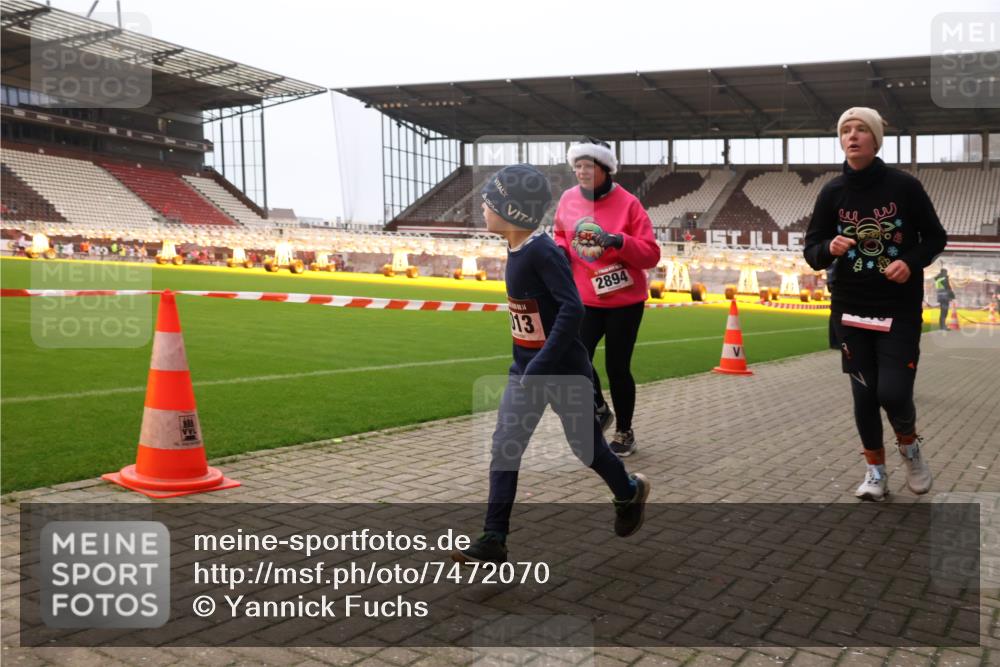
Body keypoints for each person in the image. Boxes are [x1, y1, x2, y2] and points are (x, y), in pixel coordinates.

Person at [453, 164, 650, 564]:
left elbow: (571, 310)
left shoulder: (544, 252)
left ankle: (629, 492)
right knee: (505, 447)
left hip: (561, 372)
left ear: (513, 211)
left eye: (490, 202)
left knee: (587, 449)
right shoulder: (515, 248)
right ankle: (494, 539)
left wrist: (540, 365)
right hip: (525, 372)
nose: (483, 208)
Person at [804, 107, 947, 502]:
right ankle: (875, 472)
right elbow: (812, 251)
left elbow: (935, 238)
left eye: (861, 130)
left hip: (897, 309)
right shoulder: (831, 192)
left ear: (875, 139)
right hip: (849, 308)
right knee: (864, 396)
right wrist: (827, 248)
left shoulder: (905, 187)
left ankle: (910, 449)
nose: (852, 136)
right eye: (845, 130)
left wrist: (910, 261)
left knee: (894, 392)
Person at [553, 138, 661, 457]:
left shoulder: (628, 204)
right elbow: (560, 233)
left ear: (605, 168)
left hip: (625, 302)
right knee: (574, 360)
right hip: (584, 297)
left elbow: (651, 254)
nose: (582, 173)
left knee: (617, 367)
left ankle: (625, 432)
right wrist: (560, 249)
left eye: (588, 166)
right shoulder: (568, 199)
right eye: (578, 167)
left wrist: (619, 241)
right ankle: (599, 408)